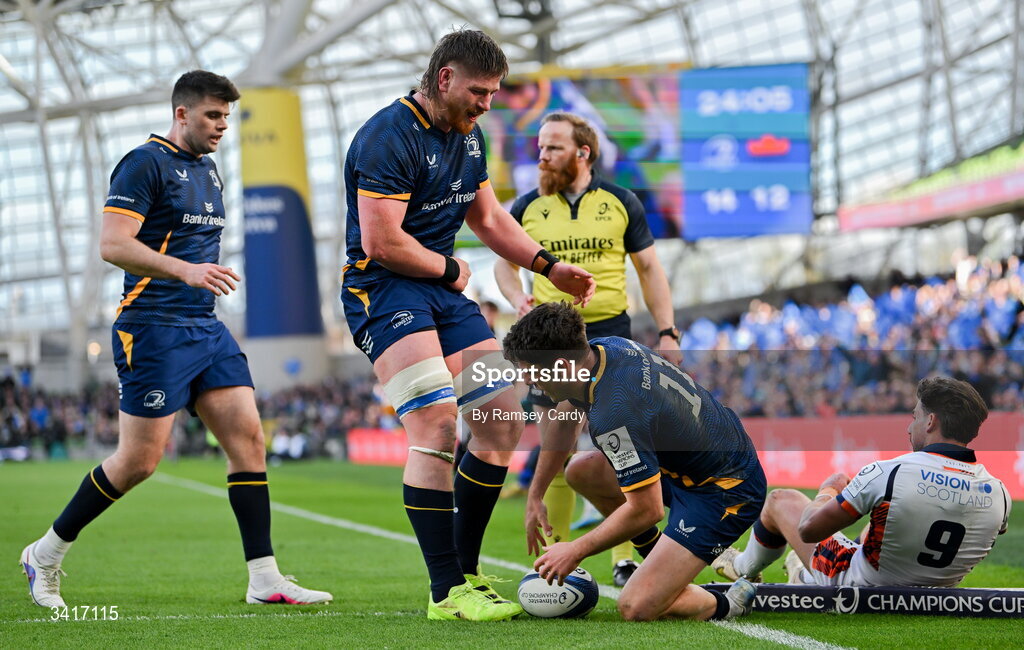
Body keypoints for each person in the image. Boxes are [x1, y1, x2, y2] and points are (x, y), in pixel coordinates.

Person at [19, 71, 332, 608]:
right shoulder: (143, 163)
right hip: (152, 327)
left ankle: (264, 577)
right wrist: (185, 270)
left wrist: (200, 278)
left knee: (249, 442)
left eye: (227, 118)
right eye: (213, 116)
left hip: (205, 327)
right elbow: (112, 244)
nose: (221, 127)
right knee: (139, 462)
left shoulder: (208, 170)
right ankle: (44, 554)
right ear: (181, 113)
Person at [340, 29, 595, 621]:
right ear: (444, 78)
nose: (487, 104)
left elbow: (486, 216)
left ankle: (468, 574)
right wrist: (452, 267)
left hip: (441, 289)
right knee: (435, 421)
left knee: (501, 415)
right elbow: (380, 242)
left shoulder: (469, 136)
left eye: (494, 94)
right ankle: (444, 591)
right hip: (383, 289)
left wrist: (548, 265)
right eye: (479, 92)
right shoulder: (386, 136)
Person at [495, 111, 681, 587]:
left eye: (553, 147)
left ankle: (627, 559)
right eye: (540, 147)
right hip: (550, 343)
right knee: (554, 448)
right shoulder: (525, 207)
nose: (542, 156)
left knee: (616, 448)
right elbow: (504, 267)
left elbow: (649, 270)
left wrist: (667, 331)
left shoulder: (621, 202)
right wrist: (518, 298)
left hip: (610, 336)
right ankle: (555, 560)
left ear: (584, 152)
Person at [502, 302, 764, 621]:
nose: (530, 382)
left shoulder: (614, 412)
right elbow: (565, 420)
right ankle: (663, 559)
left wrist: (576, 549)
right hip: (693, 466)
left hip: (725, 491)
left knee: (635, 606)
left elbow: (647, 509)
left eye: (531, 370)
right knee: (581, 471)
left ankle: (732, 600)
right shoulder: (604, 350)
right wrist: (535, 494)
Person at [713, 376, 1011, 588]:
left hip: (863, 587)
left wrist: (828, 491)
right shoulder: (1000, 493)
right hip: (939, 596)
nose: (910, 426)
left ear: (931, 422)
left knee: (781, 500)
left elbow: (808, 530)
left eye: (915, 416)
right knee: (886, 521)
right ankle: (802, 575)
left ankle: (744, 568)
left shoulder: (889, 471)